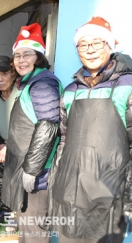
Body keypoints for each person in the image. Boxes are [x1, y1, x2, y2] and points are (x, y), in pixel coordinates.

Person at [47, 16, 132, 243]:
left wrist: (130, 199)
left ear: (109, 45)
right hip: (69, 193)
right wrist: (54, 186)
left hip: (108, 195)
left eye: (97, 43)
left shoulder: (128, 86)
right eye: (83, 45)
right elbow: (63, 142)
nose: (90, 50)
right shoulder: (70, 90)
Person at [1, 23, 63, 243]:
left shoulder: (43, 83)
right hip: (27, 169)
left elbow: (48, 126)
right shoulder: (30, 83)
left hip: (38, 175)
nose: (21, 60)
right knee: (26, 230)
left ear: (38, 57)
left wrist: (32, 170)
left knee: (34, 232)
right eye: (17, 55)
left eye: (27, 54)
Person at [0, 55, 18, 164]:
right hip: (4, 146)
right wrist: (0, 143)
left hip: (22, 145)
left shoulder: (21, 93)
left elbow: (25, 126)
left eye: (4, 74)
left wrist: (8, 146)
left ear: (13, 74)